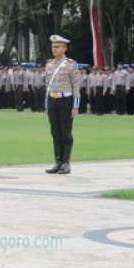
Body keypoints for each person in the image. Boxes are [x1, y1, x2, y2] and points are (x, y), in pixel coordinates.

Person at [44, 34, 80, 175]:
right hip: (52, 100)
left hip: (66, 100)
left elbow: (76, 86)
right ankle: (58, 162)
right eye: (52, 47)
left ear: (64, 48)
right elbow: (47, 85)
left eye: (57, 47)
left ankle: (66, 163)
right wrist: (46, 104)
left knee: (65, 132)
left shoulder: (71, 64)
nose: (54, 49)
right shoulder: (49, 64)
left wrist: (75, 106)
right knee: (55, 132)